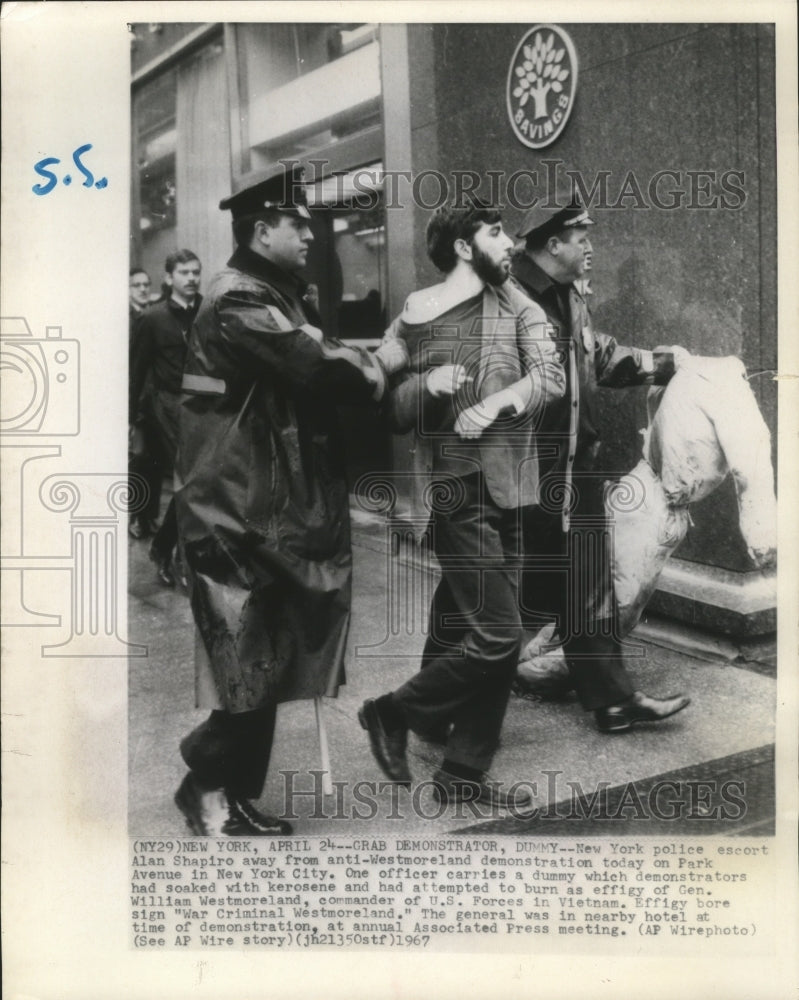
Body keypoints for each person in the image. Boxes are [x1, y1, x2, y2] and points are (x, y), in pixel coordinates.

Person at [173, 162, 406, 836]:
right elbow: (322, 364)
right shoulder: (240, 301)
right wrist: (384, 362)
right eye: (295, 223)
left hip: (253, 505)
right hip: (234, 510)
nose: (309, 233)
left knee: (263, 658)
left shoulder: (266, 292)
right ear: (260, 229)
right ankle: (207, 783)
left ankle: (226, 789)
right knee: (251, 664)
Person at [359, 198, 567, 811]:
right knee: (500, 635)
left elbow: (551, 376)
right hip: (454, 492)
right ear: (461, 246)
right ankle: (390, 711)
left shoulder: (517, 301)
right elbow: (386, 401)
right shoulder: (417, 315)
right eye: (496, 233)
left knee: (495, 633)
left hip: (511, 487)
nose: (510, 243)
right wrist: (426, 385)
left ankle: (463, 772)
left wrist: (496, 403)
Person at [510, 185, 691, 733]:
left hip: (573, 470)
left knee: (588, 586)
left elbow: (599, 354)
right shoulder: (510, 296)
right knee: (496, 596)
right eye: (581, 237)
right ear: (553, 243)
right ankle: (428, 705)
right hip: (522, 473)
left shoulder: (568, 293)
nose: (590, 247)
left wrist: (663, 364)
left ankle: (613, 701)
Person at [130, 250, 202, 585]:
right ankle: (185, 561)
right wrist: (130, 421)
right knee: (190, 480)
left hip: (204, 405)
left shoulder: (207, 312)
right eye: (184, 273)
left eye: (196, 272)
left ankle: (162, 547)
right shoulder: (152, 318)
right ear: (169, 278)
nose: (191, 279)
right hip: (168, 406)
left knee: (199, 482)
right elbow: (136, 371)